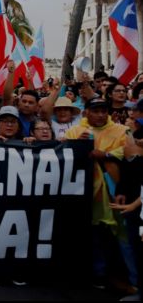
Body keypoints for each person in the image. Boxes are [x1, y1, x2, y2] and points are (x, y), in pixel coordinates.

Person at [65, 98, 134, 291]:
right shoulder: (75, 132)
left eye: (104, 111)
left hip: (117, 191)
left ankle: (133, 278)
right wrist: (76, 146)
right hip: (89, 194)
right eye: (96, 111)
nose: (101, 114)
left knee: (125, 236)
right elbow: (64, 154)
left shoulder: (121, 130)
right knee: (94, 236)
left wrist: (106, 154)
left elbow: (132, 150)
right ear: (86, 112)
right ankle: (100, 274)